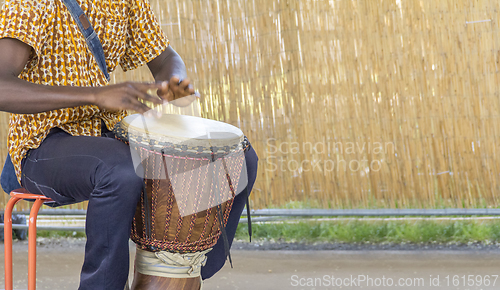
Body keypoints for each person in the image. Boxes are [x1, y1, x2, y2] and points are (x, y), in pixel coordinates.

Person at [0, 0, 258, 289]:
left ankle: (184, 268)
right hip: (42, 144)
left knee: (238, 158)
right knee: (121, 169)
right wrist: (95, 95)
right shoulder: (32, 3)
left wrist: (173, 81)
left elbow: (164, 58)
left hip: (108, 135)